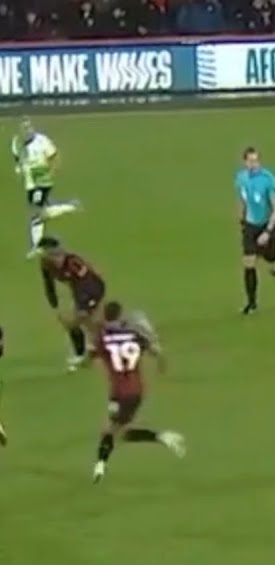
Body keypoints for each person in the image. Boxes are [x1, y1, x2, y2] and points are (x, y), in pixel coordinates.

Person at [90, 301, 185, 483]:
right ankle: (100, 466)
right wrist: (161, 364)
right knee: (116, 431)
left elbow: (91, 354)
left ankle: (163, 438)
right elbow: (157, 352)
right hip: (133, 389)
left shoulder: (102, 337)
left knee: (115, 431)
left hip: (121, 392)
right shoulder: (134, 335)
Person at [12, 118, 79, 306]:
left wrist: (51, 171)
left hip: (42, 181)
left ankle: (36, 246)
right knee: (42, 211)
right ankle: (70, 206)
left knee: (36, 213)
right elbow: (19, 159)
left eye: (28, 128)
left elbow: (54, 155)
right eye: (23, 128)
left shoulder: (42, 141)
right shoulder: (18, 143)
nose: (26, 131)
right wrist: (19, 168)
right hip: (31, 183)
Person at [236, 147, 275, 315]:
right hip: (250, 226)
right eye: (250, 161)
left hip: (267, 225)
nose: (254, 164)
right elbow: (243, 199)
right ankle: (251, 303)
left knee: (272, 265)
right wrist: (242, 218)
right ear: (245, 162)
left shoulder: (268, 179)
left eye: (256, 161)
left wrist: (268, 232)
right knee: (249, 262)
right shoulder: (241, 178)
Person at [35, 237, 105, 370]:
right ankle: (84, 351)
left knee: (86, 320)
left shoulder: (73, 262)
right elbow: (48, 284)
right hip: (78, 291)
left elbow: (86, 282)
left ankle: (97, 349)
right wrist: (54, 305)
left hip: (92, 289)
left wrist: (83, 305)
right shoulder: (46, 264)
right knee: (74, 321)